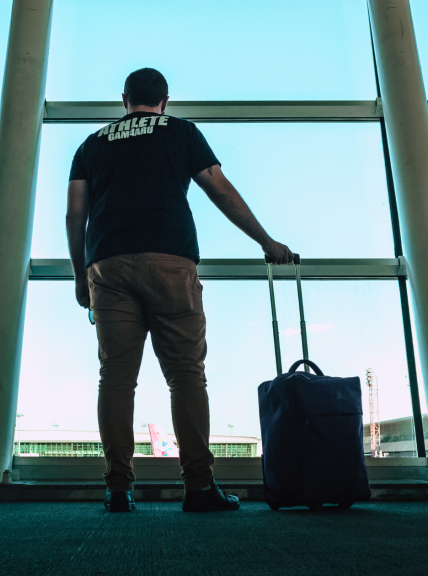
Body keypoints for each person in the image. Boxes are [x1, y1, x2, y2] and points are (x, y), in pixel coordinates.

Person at [65, 68, 294, 512]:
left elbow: (75, 215)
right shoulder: (182, 132)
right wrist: (266, 241)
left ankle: (117, 487)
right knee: (186, 375)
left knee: (115, 378)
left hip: (107, 266)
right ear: (164, 100)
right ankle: (199, 487)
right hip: (170, 260)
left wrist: (80, 275)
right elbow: (220, 190)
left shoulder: (92, 144)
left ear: (124, 100)